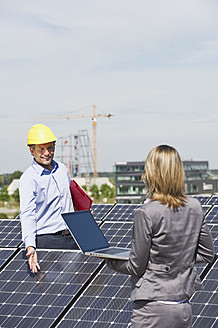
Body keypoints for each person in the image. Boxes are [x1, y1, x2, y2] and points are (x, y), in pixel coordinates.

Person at [106, 145, 215, 328]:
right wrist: (179, 259)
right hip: (183, 307)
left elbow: (136, 266)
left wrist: (109, 260)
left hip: (152, 309)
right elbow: (207, 254)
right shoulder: (195, 207)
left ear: (152, 173)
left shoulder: (146, 212)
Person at [19, 124, 78, 274]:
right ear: (31, 150)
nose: (47, 153)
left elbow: (70, 200)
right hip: (48, 241)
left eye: (50, 148)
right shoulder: (28, 179)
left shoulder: (62, 169)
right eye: (41, 149)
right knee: (54, 291)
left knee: (76, 289)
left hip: (72, 237)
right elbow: (28, 214)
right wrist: (30, 246)